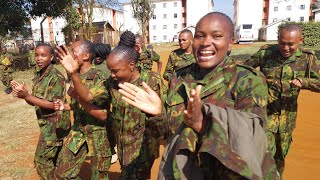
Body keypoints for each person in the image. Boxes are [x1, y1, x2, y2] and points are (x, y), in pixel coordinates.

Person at [118, 12, 279, 179]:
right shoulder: (179, 78)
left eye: (216, 36)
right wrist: (157, 114)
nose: (205, 43)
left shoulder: (247, 81)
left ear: (230, 43)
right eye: (200, 36)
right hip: (180, 171)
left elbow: (254, 144)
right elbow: (168, 136)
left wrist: (204, 125)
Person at [56, 31, 164, 179]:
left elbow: (164, 118)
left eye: (115, 70)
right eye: (110, 70)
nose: (112, 74)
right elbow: (87, 96)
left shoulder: (151, 81)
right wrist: (74, 74)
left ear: (131, 65)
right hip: (123, 146)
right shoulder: (111, 83)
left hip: (143, 147)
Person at [243, 24, 320, 176]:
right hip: (265, 114)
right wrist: (256, 82)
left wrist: (304, 82)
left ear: (300, 41)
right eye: (282, 43)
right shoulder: (265, 53)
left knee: (280, 156)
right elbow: (244, 70)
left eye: (291, 44)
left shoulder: (307, 58)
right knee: (262, 153)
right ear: (278, 40)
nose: (285, 48)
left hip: (287, 118)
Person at [54, 40, 113, 179]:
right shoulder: (75, 75)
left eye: (73, 52)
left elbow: (102, 114)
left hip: (99, 134)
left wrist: (76, 95)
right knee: (63, 172)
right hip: (78, 130)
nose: (70, 55)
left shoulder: (100, 77)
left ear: (86, 56)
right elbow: (79, 104)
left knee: (98, 177)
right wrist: (66, 106)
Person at [10, 43, 70, 179]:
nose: (39, 58)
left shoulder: (56, 77)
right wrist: (23, 95)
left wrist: (27, 96)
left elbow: (55, 105)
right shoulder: (39, 75)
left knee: (42, 161)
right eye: (37, 55)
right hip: (46, 124)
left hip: (55, 125)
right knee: (54, 161)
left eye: (43, 55)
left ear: (51, 57)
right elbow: (34, 102)